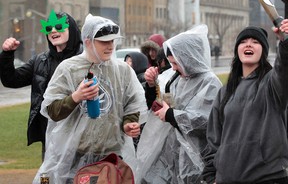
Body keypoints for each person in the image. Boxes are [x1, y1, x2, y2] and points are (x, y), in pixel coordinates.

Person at [33, 14, 147, 183]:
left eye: (112, 41)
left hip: (112, 156)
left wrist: (129, 122)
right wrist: (76, 97)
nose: (110, 46)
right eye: (104, 42)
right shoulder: (69, 69)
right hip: (75, 158)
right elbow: (51, 110)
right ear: (87, 41)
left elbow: (133, 103)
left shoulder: (123, 70)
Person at [201, 22, 288, 184]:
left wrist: (285, 42)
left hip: (268, 177)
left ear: (263, 51)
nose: (248, 44)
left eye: (255, 42)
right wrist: (211, 175)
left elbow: (284, 67)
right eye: (243, 41)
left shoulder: (272, 84)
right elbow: (214, 139)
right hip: (226, 179)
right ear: (237, 50)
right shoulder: (225, 92)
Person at [135, 24, 222, 184]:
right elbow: (164, 104)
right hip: (170, 153)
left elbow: (204, 121)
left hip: (196, 156)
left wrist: (171, 115)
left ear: (188, 59)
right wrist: (152, 85)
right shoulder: (175, 79)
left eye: (176, 63)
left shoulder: (210, 83)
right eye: (171, 63)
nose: (173, 68)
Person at [0, 9, 83, 160]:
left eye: (58, 27)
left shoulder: (85, 59)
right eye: (48, 28)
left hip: (80, 136)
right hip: (49, 135)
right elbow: (11, 80)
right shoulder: (40, 61)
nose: (53, 31)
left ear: (71, 29)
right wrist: (7, 54)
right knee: (47, 179)